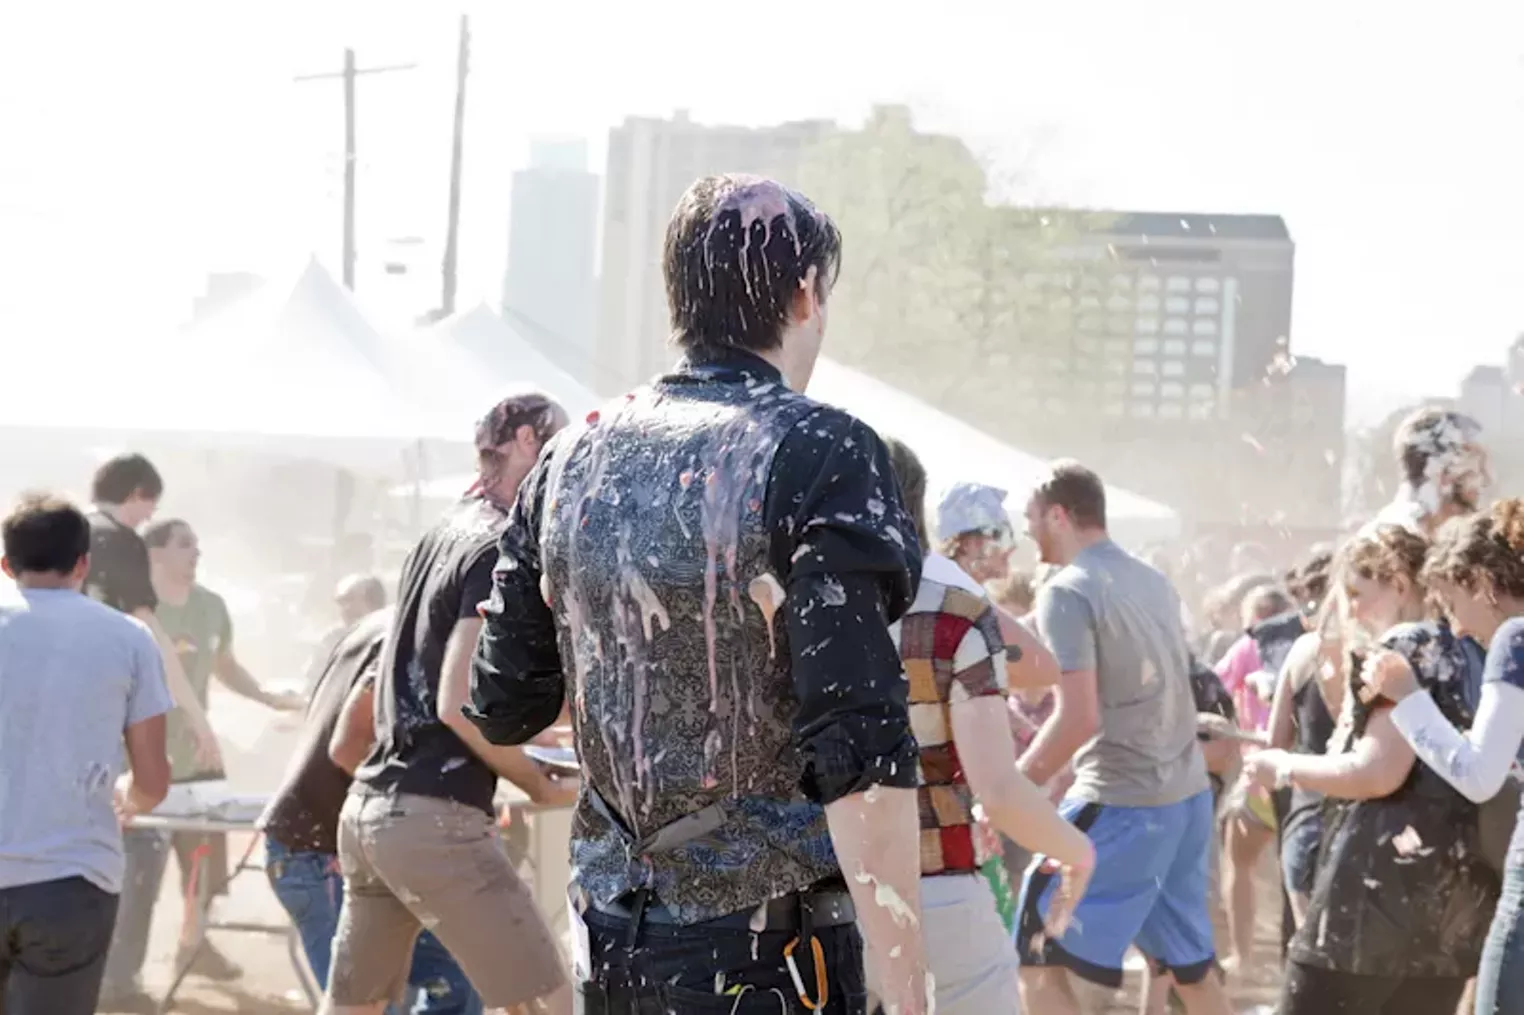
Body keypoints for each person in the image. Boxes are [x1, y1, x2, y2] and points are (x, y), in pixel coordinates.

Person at [467, 174, 931, 1014]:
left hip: (611, 932)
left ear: (678, 297)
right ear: (807, 293)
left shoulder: (569, 457)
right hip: (771, 954)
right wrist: (908, 994)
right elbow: (863, 751)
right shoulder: (825, 449)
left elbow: (502, 703)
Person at [322, 392, 575, 1015]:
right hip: (434, 821)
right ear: (524, 440)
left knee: (355, 1007)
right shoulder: (495, 544)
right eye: (559, 446)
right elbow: (457, 703)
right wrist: (538, 782)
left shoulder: (439, 531)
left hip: (370, 813)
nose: (568, 467)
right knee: (550, 1004)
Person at [1246, 525, 1496, 1014]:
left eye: (1359, 593)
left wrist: (1285, 766)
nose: (1352, 610)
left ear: (1400, 585)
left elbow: (1378, 771)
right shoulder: (1474, 651)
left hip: (1374, 897)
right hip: (1452, 902)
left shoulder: (1406, 647)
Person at [882, 439, 1093, 1013]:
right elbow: (999, 788)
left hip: (814, 898)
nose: (1005, 551)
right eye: (995, 536)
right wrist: (1078, 851)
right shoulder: (949, 605)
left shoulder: (788, 601)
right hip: (935, 886)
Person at [1014, 461, 1230, 1015]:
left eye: (1032, 518)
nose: (1026, 530)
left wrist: (1011, 791)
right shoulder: (1151, 580)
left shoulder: (1066, 591)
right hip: (1185, 801)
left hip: (1123, 802)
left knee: (1038, 943)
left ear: (1059, 515)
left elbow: (1079, 717)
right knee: (1190, 969)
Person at [104, 518, 305, 992]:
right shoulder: (132, 613)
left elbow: (226, 667)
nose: (196, 553)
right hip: (141, 763)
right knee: (140, 878)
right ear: (154, 554)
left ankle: (194, 947)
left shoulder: (211, 607)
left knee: (205, 867)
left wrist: (268, 698)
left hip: (200, 764)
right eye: (184, 545)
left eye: (197, 544)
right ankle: (122, 976)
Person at [260, 605, 481, 1014]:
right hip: (322, 851)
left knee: (461, 982)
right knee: (374, 1005)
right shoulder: (418, 638)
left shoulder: (393, 625)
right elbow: (348, 750)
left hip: (372, 850)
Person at [0, 494, 172, 1014]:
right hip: (71, 883)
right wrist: (130, 799)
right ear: (83, 564)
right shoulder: (128, 637)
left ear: (5, 564)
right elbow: (152, 779)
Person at [1362, 500, 1524, 1014]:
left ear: (1482, 583)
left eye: (1452, 602)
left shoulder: (1515, 639)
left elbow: (1478, 775)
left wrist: (1407, 696)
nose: (1453, 627)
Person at [82, 454, 217, 1012]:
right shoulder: (120, 539)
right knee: (142, 841)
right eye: (150, 508)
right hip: (108, 721)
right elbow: (150, 631)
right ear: (138, 494)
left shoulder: (65, 533)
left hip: (57, 725)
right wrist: (195, 714)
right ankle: (117, 984)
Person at [1368, 406, 1489, 537]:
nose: (1486, 480)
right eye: (1477, 471)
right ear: (1444, 475)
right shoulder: (1397, 546)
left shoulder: (1377, 539)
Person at [303, 573, 389, 696]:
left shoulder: (395, 638)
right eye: (340, 602)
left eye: (348, 600)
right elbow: (311, 691)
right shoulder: (332, 640)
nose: (344, 609)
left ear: (374, 601)